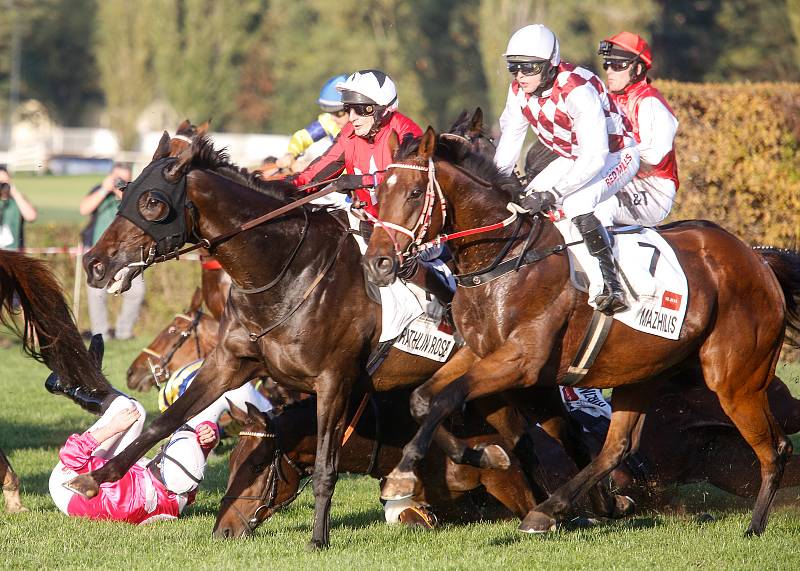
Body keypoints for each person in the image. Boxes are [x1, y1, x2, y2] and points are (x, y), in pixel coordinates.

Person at [494, 24, 640, 314]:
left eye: (528, 68)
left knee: (576, 202)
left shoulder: (577, 89)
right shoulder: (518, 92)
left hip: (616, 154)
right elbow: (508, 148)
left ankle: (610, 285)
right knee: (526, 200)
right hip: (572, 156)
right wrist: (495, 187)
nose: (520, 76)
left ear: (550, 66)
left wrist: (553, 193)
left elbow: (595, 156)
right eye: (514, 68)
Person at [47, 364, 272, 525]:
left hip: (68, 486)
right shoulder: (178, 495)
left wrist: (112, 428)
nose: (158, 454)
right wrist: (209, 436)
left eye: (161, 455)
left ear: (160, 464)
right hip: (130, 488)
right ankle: (88, 378)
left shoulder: (123, 490)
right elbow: (191, 467)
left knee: (132, 410)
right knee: (135, 415)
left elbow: (71, 455)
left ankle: (72, 385)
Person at [291, 69, 423, 217]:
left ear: (383, 110)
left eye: (360, 109)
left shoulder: (407, 132)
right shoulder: (349, 132)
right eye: (348, 109)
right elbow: (319, 170)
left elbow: (410, 178)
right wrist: (285, 186)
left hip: (403, 225)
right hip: (366, 219)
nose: (352, 117)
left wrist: (361, 181)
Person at [595, 32, 679, 226]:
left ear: (639, 69)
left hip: (653, 189)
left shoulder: (649, 102)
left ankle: (604, 258)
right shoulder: (608, 100)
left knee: (599, 208)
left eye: (618, 66)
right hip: (619, 182)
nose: (610, 71)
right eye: (607, 64)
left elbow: (654, 155)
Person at [79, 163, 143, 340]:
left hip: (125, 255)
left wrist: (120, 193)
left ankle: (124, 332)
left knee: (136, 292)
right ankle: (101, 334)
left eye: (124, 180)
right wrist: (104, 190)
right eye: (117, 179)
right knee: (96, 294)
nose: (120, 183)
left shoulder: (132, 196)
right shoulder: (100, 191)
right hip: (99, 255)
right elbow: (84, 209)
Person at [275, 74, 351, 173]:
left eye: (339, 113)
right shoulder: (329, 121)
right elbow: (302, 137)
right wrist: (290, 154)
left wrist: (310, 166)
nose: (333, 118)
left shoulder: (364, 129)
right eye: (330, 112)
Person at [0, 166, 38, 251]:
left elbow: (31, 217)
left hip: (14, 254)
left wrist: (15, 193)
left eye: (5, 182)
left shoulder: (17, 200)